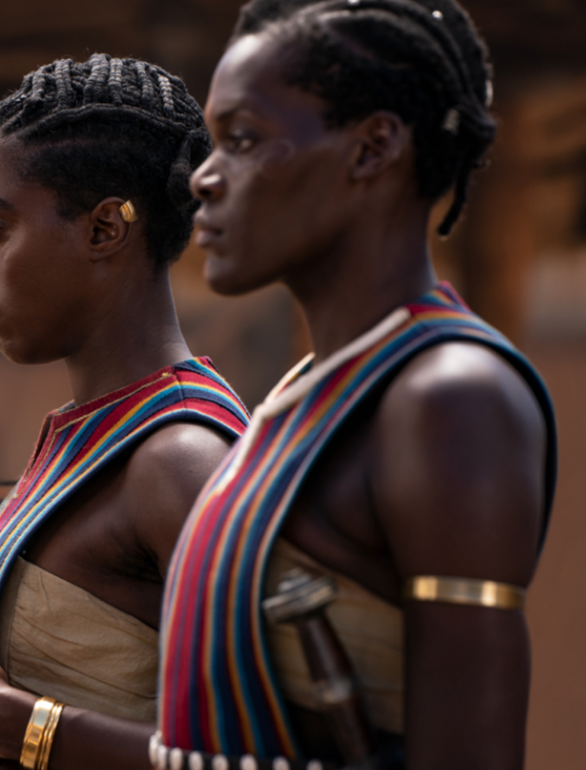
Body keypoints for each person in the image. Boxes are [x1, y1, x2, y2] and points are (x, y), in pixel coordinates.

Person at [153, 1, 558, 769]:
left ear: (373, 147)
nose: (204, 178)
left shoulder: (448, 398)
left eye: (242, 140)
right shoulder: (303, 395)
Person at [0, 54, 251, 770]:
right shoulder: (94, 434)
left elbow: (256, 757)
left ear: (104, 230)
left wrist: (12, 724)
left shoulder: (180, 459)